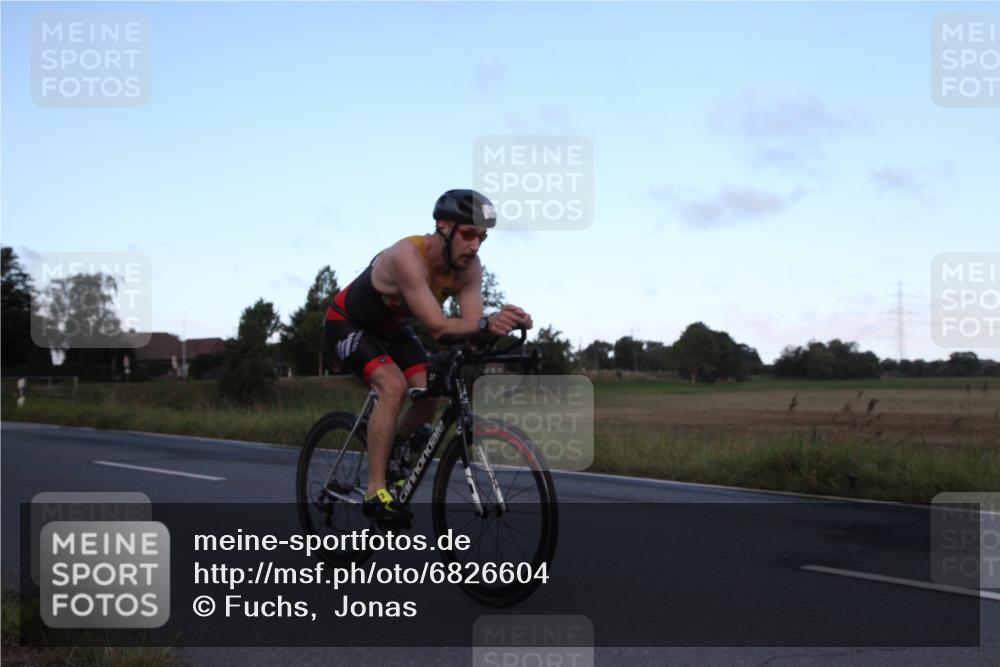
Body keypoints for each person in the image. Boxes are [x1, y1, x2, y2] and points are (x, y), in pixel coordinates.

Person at [325, 189, 533, 525]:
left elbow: (470, 326)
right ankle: (375, 490)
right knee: (391, 385)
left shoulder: (469, 267)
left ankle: (391, 448)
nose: (476, 246)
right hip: (348, 322)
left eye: (482, 237)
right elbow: (439, 327)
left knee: (431, 389)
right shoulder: (407, 256)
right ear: (443, 226)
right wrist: (484, 324)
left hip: (392, 330)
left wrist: (502, 324)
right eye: (468, 234)